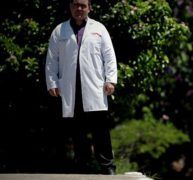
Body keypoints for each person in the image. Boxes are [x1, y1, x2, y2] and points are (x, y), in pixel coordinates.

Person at [45, 0, 117, 175]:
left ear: (89, 8)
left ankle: (108, 167)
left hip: (94, 87)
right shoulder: (59, 31)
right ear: (70, 7)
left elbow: (109, 56)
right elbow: (52, 59)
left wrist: (111, 80)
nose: (79, 9)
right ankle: (83, 168)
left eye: (83, 5)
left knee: (100, 130)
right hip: (70, 88)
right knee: (77, 130)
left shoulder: (99, 29)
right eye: (75, 5)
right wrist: (52, 82)